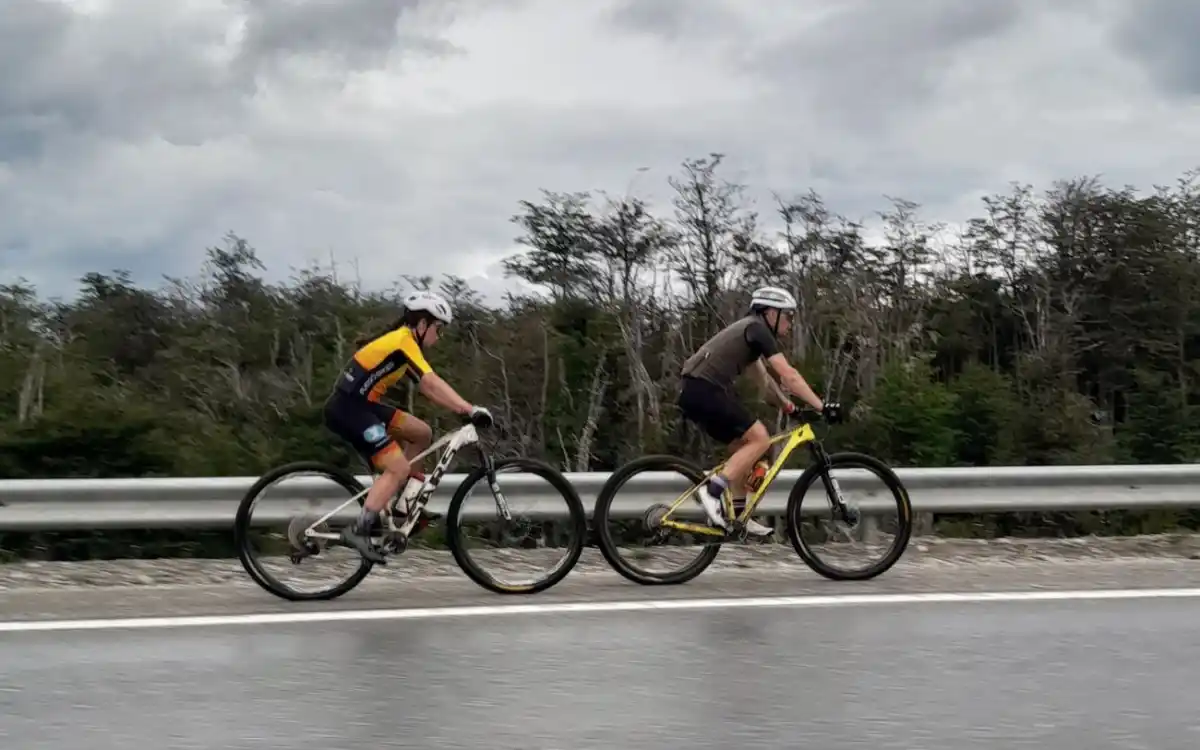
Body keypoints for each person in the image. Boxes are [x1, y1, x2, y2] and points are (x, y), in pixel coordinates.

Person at [323, 290, 492, 563]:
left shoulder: (405, 344)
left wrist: (459, 408)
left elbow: (427, 388)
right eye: (438, 328)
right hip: (349, 410)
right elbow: (432, 382)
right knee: (398, 468)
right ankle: (360, 529)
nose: (439, 336)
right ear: (422, 324)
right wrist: (468, 409)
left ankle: (405, 506)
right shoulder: (403, 341)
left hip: (364, 406)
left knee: (421, 433)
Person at [677, 285, 830, 536]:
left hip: (693, 392)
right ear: (771, 313)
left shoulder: (748, 336)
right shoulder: (757, 329)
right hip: (703, 390)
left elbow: (766, 384)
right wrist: (821, 406)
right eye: (788, 316)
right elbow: (789, 375)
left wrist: (789, 406)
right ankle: (712, 491)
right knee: (761, 438)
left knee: (745, 448)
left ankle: (738, 517)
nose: (790, 323)